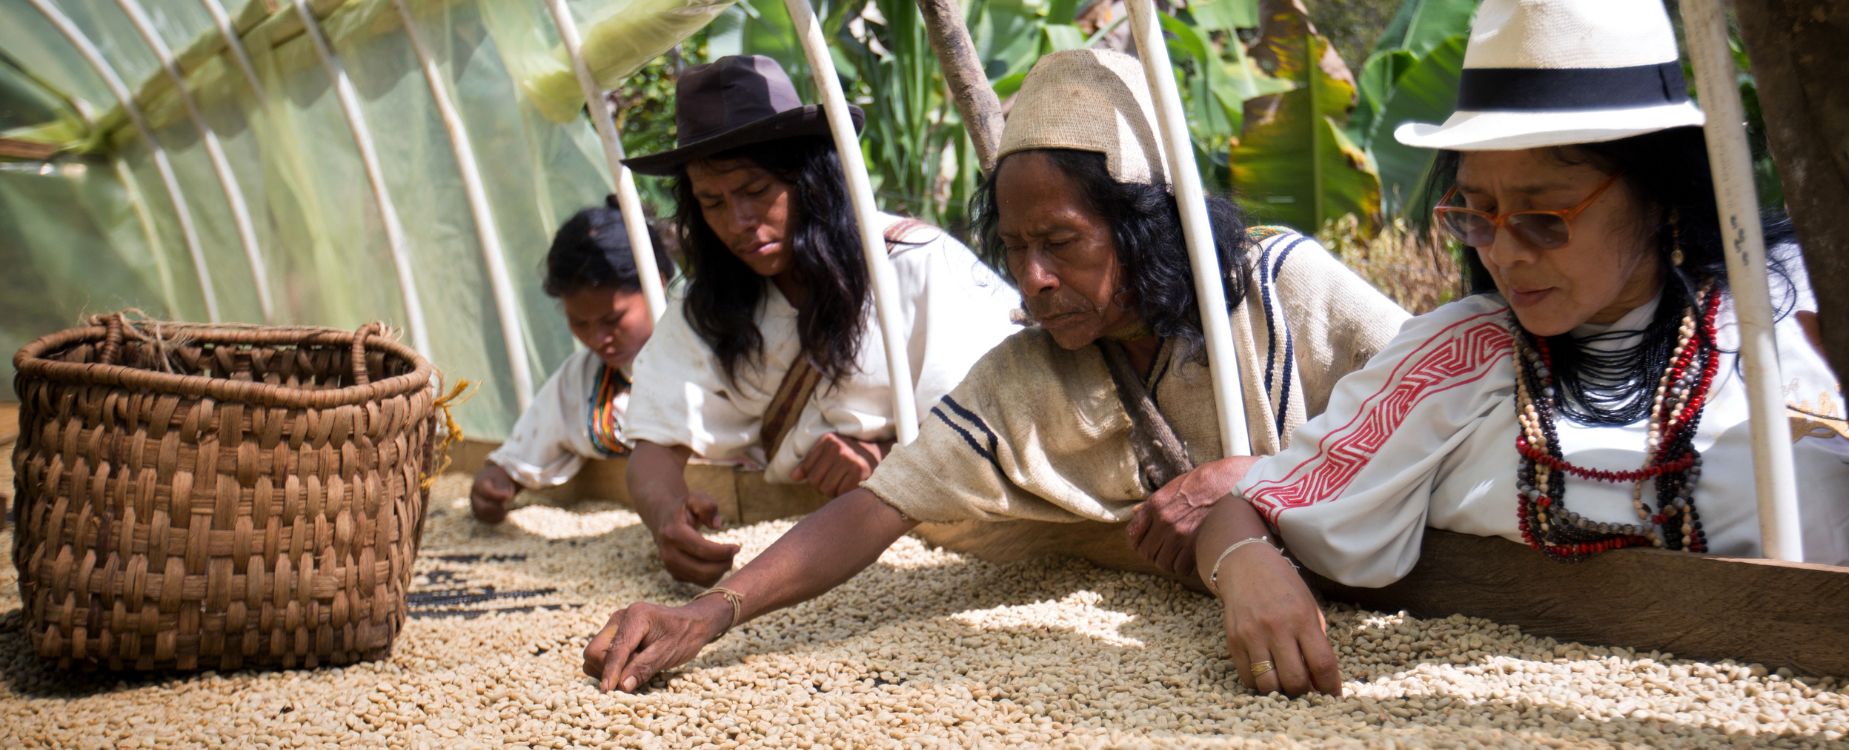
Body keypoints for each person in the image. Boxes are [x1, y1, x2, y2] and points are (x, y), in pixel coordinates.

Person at [581, 49, 1410, 693]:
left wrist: (1264, 482)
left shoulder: (1279, 287)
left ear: (1146, 226)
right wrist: (709, 614)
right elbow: (878, 508)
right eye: (1015, 249)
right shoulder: (1030, 372)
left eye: (1061, 243)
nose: (1034, 280)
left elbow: (1438, 398)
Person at [1196, 0, 1849, 699]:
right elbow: (1249, 506)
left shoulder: (1791, 327)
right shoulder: (1458, 356)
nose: (1506, 253)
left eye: (1544, 218)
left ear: (1660, 196)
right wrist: (1249, 569)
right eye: (1476, 213)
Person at [616, 55, 1025, 585]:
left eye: (757, 191)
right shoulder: (707, 304)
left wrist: (884, 456)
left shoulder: (917, 264)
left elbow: (1003, 414)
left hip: (939, 538)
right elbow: (652, 444)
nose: (738, 222)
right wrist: (666, 514)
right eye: (712, 202)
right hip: (788, 536)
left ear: (809, 178)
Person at [470, 202, 670, 524]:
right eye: (580, 323)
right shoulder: (583, 378)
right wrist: (493, 485)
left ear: (656, 284)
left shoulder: (709, 351)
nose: (597, 338)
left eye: (613, 319)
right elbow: (521, 455)